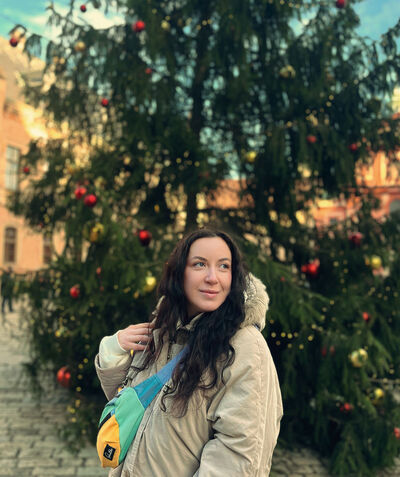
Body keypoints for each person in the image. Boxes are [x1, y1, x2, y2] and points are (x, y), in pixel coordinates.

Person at [95, 228, 283, 477]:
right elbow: (131, 408)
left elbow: (238, 455)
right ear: (179, 271)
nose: (212, 277)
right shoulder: (163, 328)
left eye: (223, 266)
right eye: (200, 264)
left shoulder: (246, 346)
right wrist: (113, 351)